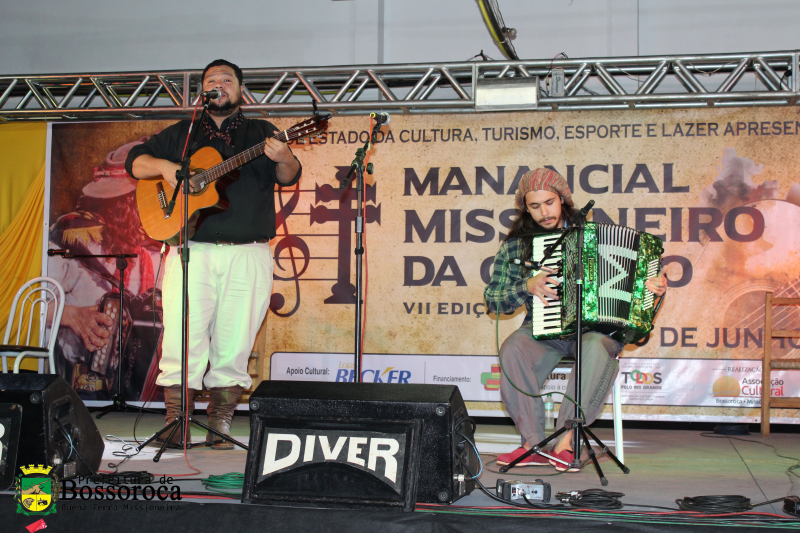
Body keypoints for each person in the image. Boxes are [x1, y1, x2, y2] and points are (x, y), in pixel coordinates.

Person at [125, 59, 302, 449]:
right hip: (192, 250)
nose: (219, 84)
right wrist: (166, 168)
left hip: (248, 253)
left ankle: (220, 424)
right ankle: (176, 423)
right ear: (202, 91)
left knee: (235, 340)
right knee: (181, 336)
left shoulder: (262, 132)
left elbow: (288, 175)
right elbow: (135, 163)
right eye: (211, 80)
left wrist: (285, 157)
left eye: (227, 79)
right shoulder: (183, 133)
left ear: (240, 90)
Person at [484, 168, 666, 471]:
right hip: (545, 330)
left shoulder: (592, 236)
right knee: (513, 347)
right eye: (535, 206)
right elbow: (493, 299)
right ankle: (532, 443)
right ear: (525, 208)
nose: (544, 212)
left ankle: (566, 440)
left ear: (563, 200)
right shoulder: (517, 245)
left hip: (597, 331)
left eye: (549, 203)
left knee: (594, 346)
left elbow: (635, 289)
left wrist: (652, 290)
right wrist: (527, 285)